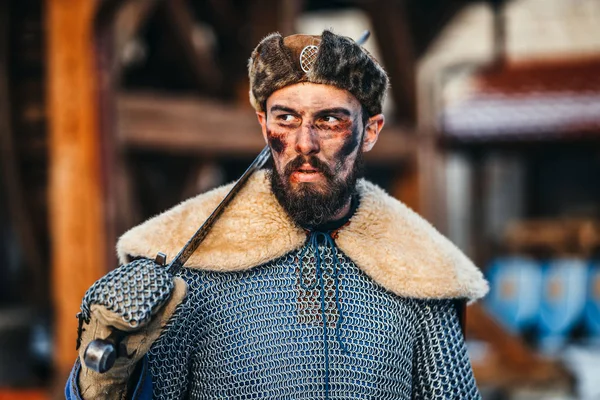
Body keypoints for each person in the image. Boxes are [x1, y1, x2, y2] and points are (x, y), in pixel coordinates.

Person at [65, 30, 488, 399]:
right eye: (285, 118)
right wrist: (105, 375)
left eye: (329, 120)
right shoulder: (188, 268)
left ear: (371, 131)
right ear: (263, 125)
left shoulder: (420, 270)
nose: (304, 142)